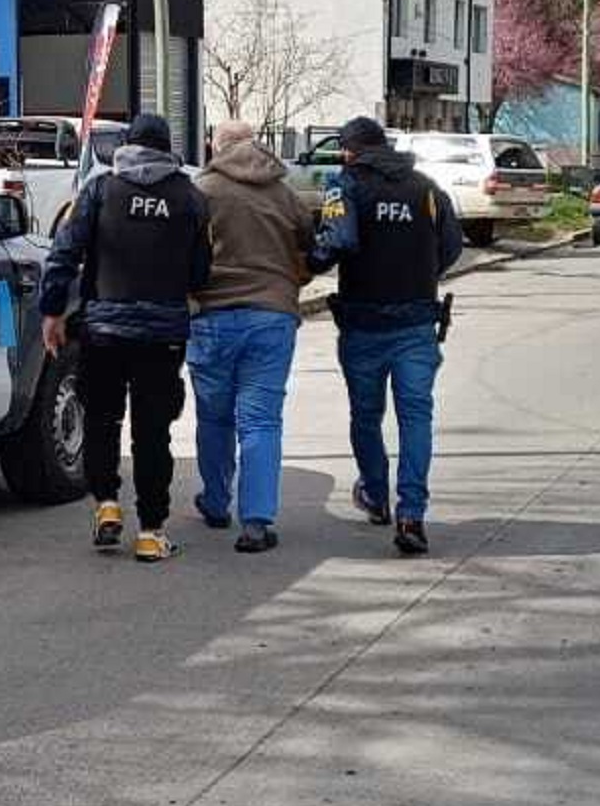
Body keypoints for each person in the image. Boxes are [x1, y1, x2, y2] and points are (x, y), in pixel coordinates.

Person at [41, 112, 211, 562]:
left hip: (104, 331)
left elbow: (64, 251)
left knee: (102, 421)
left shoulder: (99, 190)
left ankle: (107, 505)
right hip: (163, 334)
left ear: (127, 144)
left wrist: (53, 311)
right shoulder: (191, 197)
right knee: (152, 433)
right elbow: (201, 271)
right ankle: (152, 532)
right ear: (168, 147)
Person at [309, 116, 464, 555]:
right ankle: (411, 512)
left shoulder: (346, 185)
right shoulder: (427, 188)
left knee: (366, 415)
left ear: (349, 150)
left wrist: (309, 260)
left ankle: (376, 494)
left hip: (363, 322)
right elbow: (451, 246)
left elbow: (336, 241)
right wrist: (420, 275)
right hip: (417, 322)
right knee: (416, 418)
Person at [188, 121, 315, 554]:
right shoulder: (284, 192)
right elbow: (311, 247)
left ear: (216, 147)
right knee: (261, 421)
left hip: (210, 315)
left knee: (213, 416)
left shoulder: (201, 190)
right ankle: (257, 522)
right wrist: (292, 281)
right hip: (271, 316)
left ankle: (217, 501)